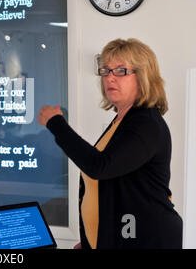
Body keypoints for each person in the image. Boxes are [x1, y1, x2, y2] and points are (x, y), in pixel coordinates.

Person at [37, 38, 182, 249]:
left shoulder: (145, 123)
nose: (110, 78)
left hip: (147, 238)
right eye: (106, 70)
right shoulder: (122, 121)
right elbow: (107, 185)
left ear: (143, 77)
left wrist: (56, 123)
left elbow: (99, 166)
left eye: (121, 71)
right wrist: (91, 240)